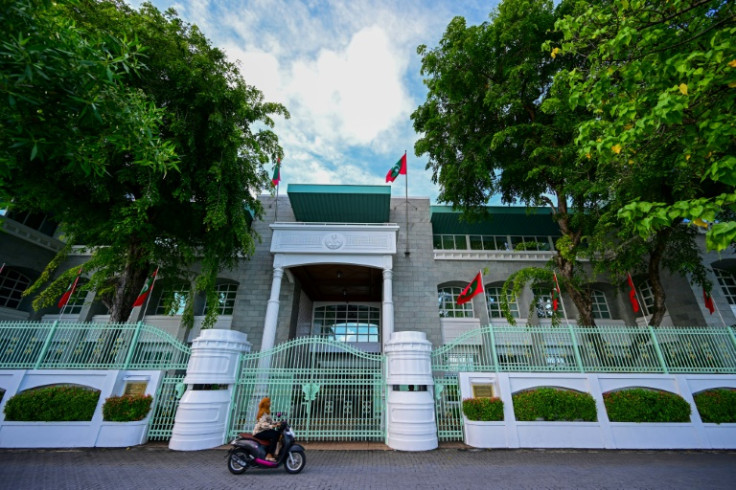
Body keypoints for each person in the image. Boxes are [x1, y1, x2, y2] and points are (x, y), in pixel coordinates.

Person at [252, 397, 281, 461]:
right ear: (265, 404)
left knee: (277, 433)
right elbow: (263, 424)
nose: (270, 403)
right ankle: (269, 454)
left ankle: (275, 451)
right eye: (268, 402)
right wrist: (272, 426)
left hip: (264, 430)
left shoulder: (267, 412)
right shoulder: (262, 412)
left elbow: (270, 421)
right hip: (259, 432)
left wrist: (278, 423)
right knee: (274, 435)